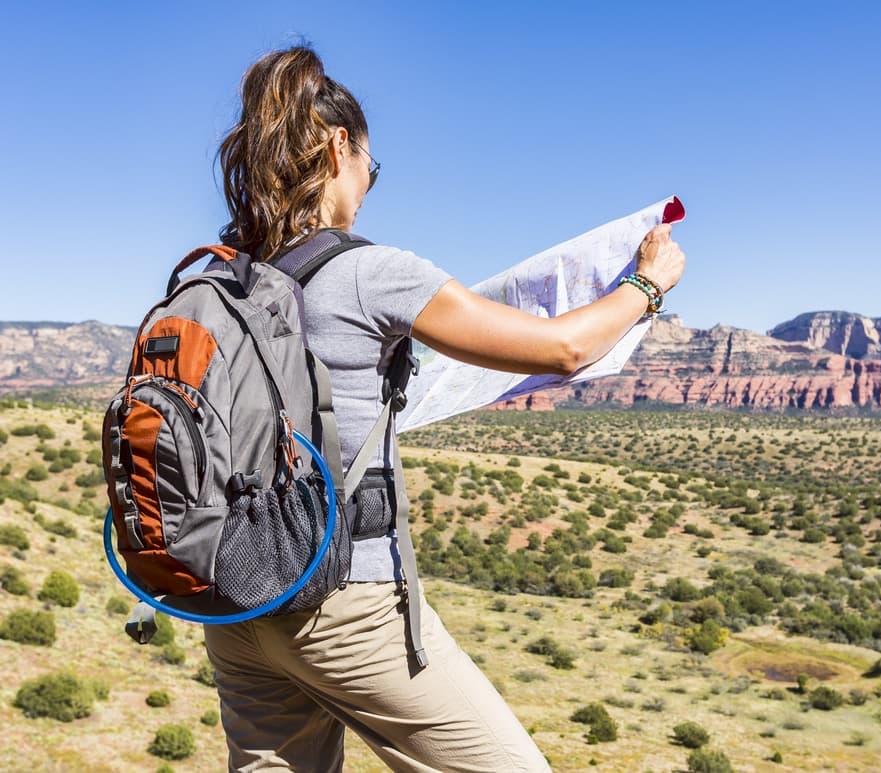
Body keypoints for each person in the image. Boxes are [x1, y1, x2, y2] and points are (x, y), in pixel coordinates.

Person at [204, 44, 685, 773]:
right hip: (344, 599)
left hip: (233, 598)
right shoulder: (371, 272)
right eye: (372, 165)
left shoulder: (224, 279)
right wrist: (647, 285)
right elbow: (562, 349)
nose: (368, 185)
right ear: (340, 148)